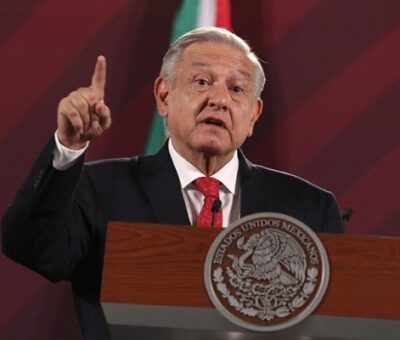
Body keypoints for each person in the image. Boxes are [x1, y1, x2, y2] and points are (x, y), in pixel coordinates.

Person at [1, 27, 343, 339]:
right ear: (164, 96)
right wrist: (68, 149)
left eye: (236, 88)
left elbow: (338, 324)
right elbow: (32, 247)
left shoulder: (310, 209)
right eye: (202, 82)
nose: (219, 100)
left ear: (253, 115)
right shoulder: (100, 188)